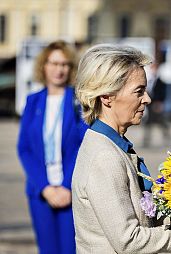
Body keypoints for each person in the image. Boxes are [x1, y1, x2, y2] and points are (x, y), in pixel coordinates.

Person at [72, 44, 171, 253]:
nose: (147, 99)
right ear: (107, 96)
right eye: (139, 91)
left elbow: (140, 217)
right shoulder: (104, 156)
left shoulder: (112, 145)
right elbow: (128, 239)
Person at [17, 40, 88, 254]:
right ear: (44, 66)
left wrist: (66, 186)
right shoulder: (33, 101)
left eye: (65, 64)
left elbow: (83, 146)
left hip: (70, 191)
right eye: (54, 63)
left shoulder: (78, 102)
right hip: (41, 192)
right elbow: (25, 148)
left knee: (69, 249)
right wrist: (45, 187)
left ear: (71, 68)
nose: (59, 69)